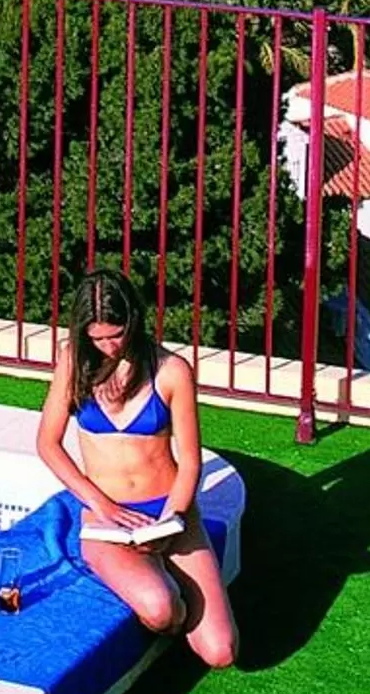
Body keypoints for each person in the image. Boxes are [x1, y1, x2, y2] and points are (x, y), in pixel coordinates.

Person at [35, 267, 237, 667]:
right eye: (98, 338)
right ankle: (165, 590)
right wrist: (102, 505)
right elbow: (48, 444)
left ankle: (165, 570)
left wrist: (173, 518)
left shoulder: (171, 370)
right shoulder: (74, 361)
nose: (109, 346)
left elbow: (190, 461)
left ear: (134, 320)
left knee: (221, 652)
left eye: (116, 334)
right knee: (163, 610)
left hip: (169, 511)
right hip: (108, 520)